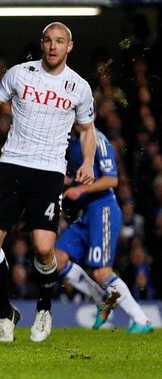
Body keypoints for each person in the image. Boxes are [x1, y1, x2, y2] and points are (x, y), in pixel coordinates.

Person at [0, 22, 97, 343]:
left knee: (44, 249)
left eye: (60, 41)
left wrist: (87, 161)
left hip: (48, 172)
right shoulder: (20, 74)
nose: (53, 46)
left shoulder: (79, 87)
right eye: (48, 40)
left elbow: (87, 130)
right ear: (42, 44)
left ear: (69, 47)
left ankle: (44, 308)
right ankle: (5, 313)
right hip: (12, 164)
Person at [56, 128, 152, 333]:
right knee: (57, 258)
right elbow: (82, 177)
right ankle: (101, 299)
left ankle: (141, 319)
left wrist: (79, 189)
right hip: (87, 213)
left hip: (103, 208)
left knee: (102, 272)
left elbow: (111, 179)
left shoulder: (97, 139)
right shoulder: (72, 141)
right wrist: (69, 181)